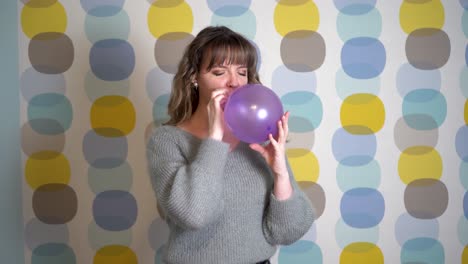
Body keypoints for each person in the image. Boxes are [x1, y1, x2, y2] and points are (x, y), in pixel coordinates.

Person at [146, 26, 315, 264]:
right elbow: (194, 215)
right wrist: (215, 138)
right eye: (219, 72)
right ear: (194, 77)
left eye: (242, 72)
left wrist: (280, 173)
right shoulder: (166, 141)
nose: (234, 83)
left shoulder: (261, 140)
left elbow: (288, 232)